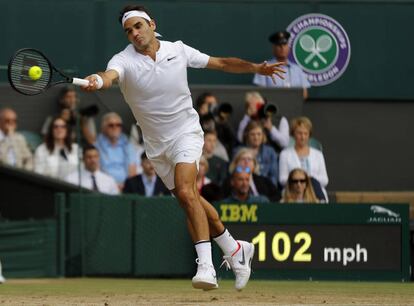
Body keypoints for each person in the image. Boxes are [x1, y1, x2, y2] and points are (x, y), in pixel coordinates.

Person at [82, 4, 284, 291]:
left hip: (186, 134)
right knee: (192, 202)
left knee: (188, 193)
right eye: (128, 31)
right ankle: (236, 249)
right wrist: (98, 80)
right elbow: (109, 74)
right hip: (156, 147)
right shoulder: (123, 60)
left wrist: (256, 68)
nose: (134, 33)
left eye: (138, 26)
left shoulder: (178, 49)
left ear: (152, 24)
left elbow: (222, 63)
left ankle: (206, 267)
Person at [279, 116, 328, 200]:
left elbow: (325, 180)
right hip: (292, 194)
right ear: (293, 134)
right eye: (299, 133)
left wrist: (307, 179)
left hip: (315, 194)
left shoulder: (318, 154)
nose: (303, 137)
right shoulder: (285, 154)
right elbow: (282, 179)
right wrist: (298, 180)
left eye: (306, 133)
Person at [253, 31, 310, 99]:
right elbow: (260, 95)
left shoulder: (297, 70)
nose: (282, 47)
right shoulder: (264, 67)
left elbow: (304, 94)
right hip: (272, 107)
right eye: (279, 45)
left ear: (288, 47)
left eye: (284, 44)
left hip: (294, 107)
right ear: (273, 48)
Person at [95, 112, 137, 190]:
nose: (115, 127)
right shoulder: (97, 145)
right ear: (103, 128)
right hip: (104, 186)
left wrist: (127, 186)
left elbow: (132, 169)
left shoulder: (127, 144)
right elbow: (97, 169)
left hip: (126, 187)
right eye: (111, 125)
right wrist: (113, 185)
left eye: (118, 125)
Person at [239, 120, 279, 186]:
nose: (256, 138)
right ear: (247, 135)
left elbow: (273, 177)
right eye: (252, 134)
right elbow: (235, 173)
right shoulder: (239, 151)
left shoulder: (270, 152)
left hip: (266, 189)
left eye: (259, 134)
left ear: (263, 135)